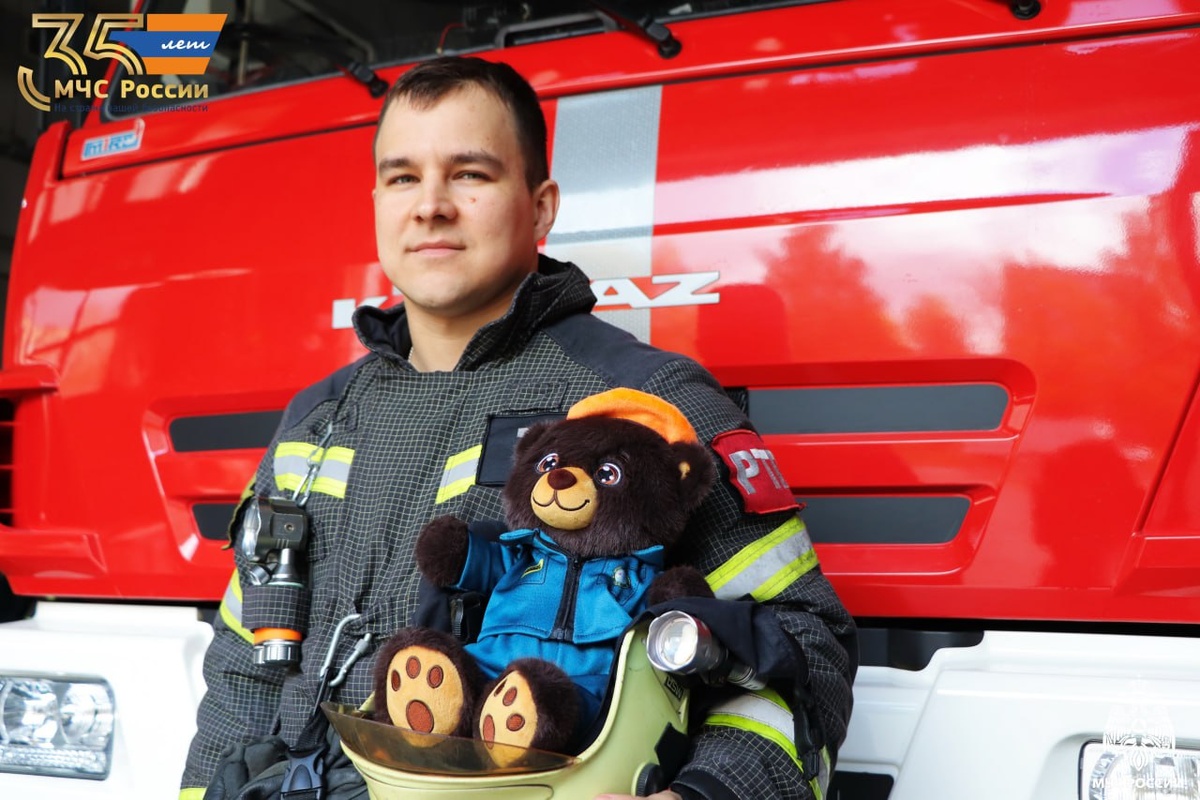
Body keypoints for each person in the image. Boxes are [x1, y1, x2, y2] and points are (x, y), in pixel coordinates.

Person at [181, 55, 856, 800]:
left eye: (469, 174)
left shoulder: (641, 405)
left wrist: (706, 794)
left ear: (540, 208)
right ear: (376, 201)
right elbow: (242, 671)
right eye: (403, 177)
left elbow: (805, 652)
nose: (430, 206)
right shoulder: (317, 419)